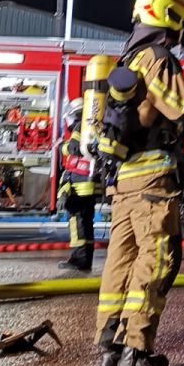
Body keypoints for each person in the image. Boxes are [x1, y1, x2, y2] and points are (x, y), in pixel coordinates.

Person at [92, 0, 184, 366]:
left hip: (125, 181)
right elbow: (182, 110)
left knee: (121, 262)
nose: (180, 29)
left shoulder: (130, 56)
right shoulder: (159, 59)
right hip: (153, 182)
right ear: (167, 16)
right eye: (180, 20)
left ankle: (110, 352)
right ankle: (135, 354)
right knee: (157, 263)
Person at [57, 98, 102, 272]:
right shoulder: (90, 127)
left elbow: (75, 148)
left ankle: (80, 260)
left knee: (78, 222)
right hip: (86, 183)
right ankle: (83, 258)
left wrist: (63, 147)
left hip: (80, 185)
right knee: (85, 222)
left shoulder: (80, 127)